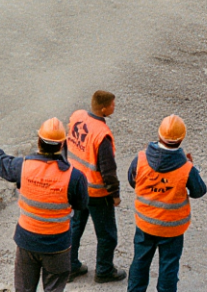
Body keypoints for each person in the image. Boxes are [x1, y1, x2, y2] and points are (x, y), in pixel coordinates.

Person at [0, 118, 89, 292]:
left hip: (27, 241)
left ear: (39, 141)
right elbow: (81, 205)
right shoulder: (75, 177)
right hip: (58, 246)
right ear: (62, 145)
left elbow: (0, 162)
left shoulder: (23, 167)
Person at [126, 115, 206, 292]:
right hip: (172, 228)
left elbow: (133, 181)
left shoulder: (140, 159)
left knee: (139, 263)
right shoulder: (186, 168)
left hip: (145, 224)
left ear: (159, 135)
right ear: (182, 139)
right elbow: (199, 191)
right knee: (169, 268)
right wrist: (193, 168)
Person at [67, 91, 126, 282]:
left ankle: (69, 266)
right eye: (112, 105)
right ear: (103, 109)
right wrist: (114, 194)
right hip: (96, 192)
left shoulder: (77, 117)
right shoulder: (102, 134)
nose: (114, 107)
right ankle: (104, 270)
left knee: (75, 226)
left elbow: (67, 146)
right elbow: (107, 170)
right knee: (107, 234)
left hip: (76, 185)